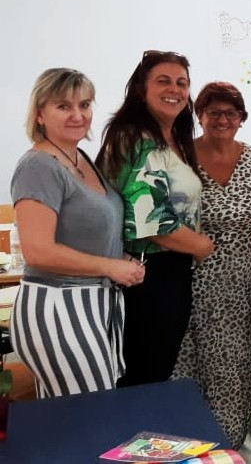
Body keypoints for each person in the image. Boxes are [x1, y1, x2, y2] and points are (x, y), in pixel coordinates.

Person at [10, 68, 145, 398]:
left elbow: (86, 231)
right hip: (58, 304)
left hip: (93, 302)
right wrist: (110, 267)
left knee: (67, 418)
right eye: (63, 106)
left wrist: (118, 256)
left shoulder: (80, 156)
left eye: (84, 105)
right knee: (92, 415)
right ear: (40, 113)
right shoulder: (38, 166)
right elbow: (39, 251)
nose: (77, 115)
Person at [171, 82, 251, 448]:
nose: (222, 119)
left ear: (241, 118)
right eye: (214, 112)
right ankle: (186, 449)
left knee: (233, 373)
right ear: (199, 116)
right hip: (185, 282)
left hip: (238, 287)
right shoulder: (181, 154)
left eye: (231, 113)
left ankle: (226, 450)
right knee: (184, 370)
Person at [97, 50, 214, 388]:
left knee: (155, 372)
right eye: (163, 81)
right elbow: (151, 221)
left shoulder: (171, 139)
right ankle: (132, 441)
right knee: (144, 377)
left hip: (169, 272)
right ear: (140, 89)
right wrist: (202, 246)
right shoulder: (135, 137)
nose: (175, 89)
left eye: (182, 83)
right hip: (149, 275)